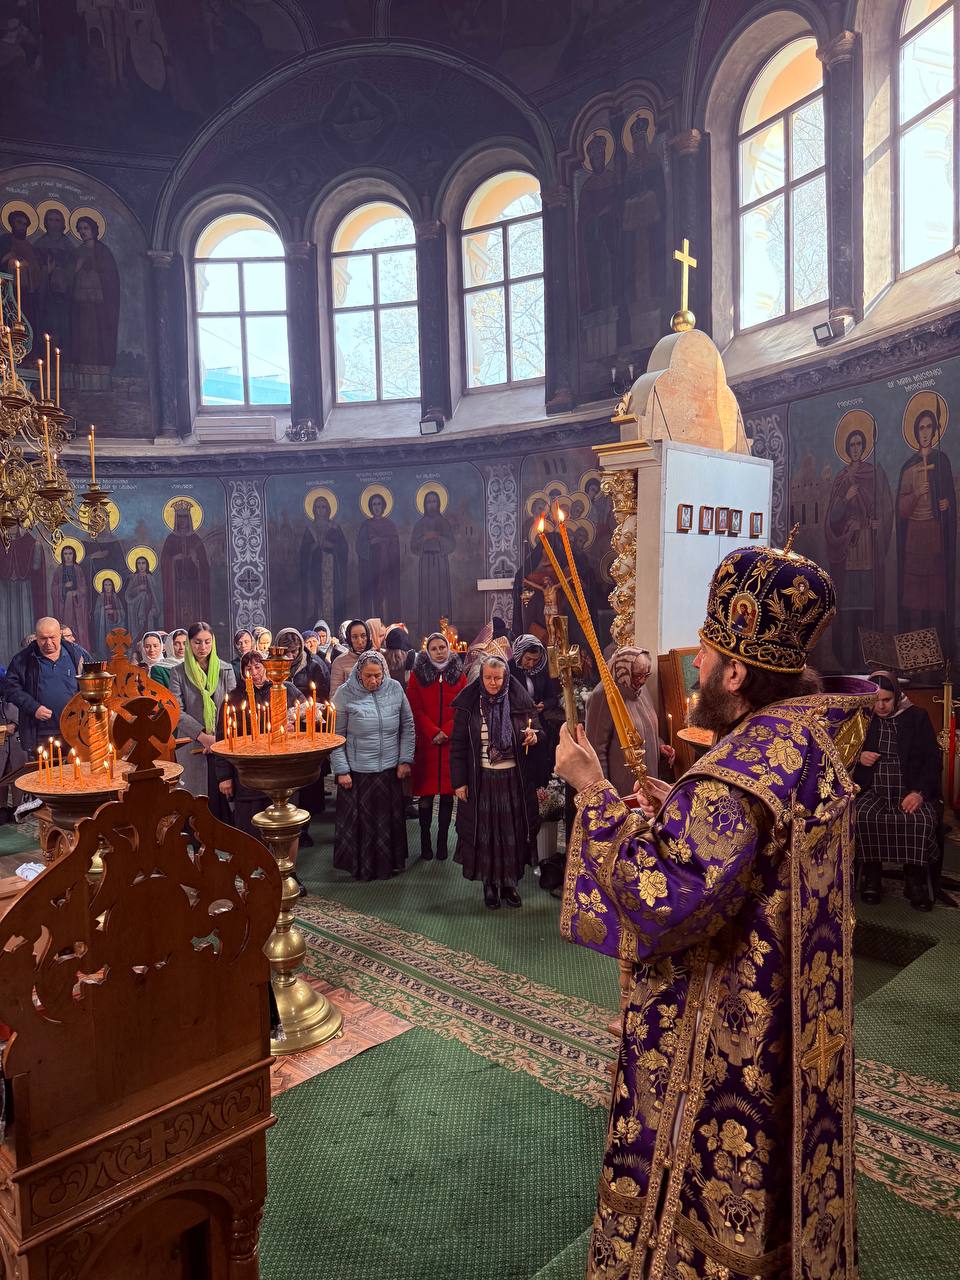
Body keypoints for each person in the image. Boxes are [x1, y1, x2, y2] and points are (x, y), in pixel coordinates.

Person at [555, 540, 872, 1280]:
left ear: (735, 673)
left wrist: (592, 791)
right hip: (793, 1023)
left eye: (704, 653)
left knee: (709, 1177)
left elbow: (662, 896)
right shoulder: (804, 742)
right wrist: (677, 809)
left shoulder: (731, 779)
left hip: (730, 1030)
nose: (694, 665)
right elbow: (752, 861)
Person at [449, 655, 542, 909]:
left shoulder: (520, 702)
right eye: (488, 677)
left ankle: (510, 884)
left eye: (497, 678)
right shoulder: (470, 706)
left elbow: (539, 731)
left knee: (511, 833)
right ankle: (489, 885)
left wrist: (534, 737)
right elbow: (457, 746)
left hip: (513, 780)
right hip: (481, 780)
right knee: (486, 835)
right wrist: (459, 782)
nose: (493, 683)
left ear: (506, 678)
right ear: (481, 677)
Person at [854, 670, 941, 910]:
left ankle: (914, 880)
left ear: (897, 695)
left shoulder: (917, 717)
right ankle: (872, 876)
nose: (880, 706)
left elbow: (932, 760)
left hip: (908, 787)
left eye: (887, 700)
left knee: (920, 820)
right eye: (875, 700)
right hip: (873, 788)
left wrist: (919, 793)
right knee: (862, 816)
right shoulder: (861, 718)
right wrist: (859, 757)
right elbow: (841, 753)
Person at [331, 651, 415, 881]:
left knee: (387, 823)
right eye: (368, 676)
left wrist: (405, 759)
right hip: (357, 773)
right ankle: (363, 868)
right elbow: (335, 736)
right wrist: (341, 770)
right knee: (363, 826)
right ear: (359, 673)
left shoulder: (395, 689)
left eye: (378, 675)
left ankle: (389, 865)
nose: (374, 680)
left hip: (389, 769)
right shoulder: (344, 694)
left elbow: (407, 725)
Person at [214, 651, 304, 836]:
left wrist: (295, 727)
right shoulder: (234, 698)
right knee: (250, 829)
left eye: (258, 667)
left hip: (281, 771)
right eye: (248, 668)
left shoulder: (285, 689)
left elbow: (308, 717)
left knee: (284, 827)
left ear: (267, 668)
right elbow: (222, 739)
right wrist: (224, 776)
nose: (254, 673)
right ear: (242, 672)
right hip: (248, 774)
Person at [584, 645, 675, 796]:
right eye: (637, 675)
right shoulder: (602, 696)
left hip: (649, 780)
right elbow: (596, 749)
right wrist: (605, 793)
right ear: (623, 671)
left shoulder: (640, 690)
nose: (642, 681)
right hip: (623, 786)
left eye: (646, 675)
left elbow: (647, 727)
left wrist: (660, 745)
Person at [408, 632, 467, 860]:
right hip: (428, 744)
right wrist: (433, 732)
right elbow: (415, 708)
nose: (439, 651)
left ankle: (442, 842)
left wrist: (447, 731)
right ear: (427, 651)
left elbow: (462, 707)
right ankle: (425, 841)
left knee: (447, 796)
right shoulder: (417, 675)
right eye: (434, 648)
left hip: (450, 743)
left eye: (442, 647)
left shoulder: (459, 675)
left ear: (448, 648)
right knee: (426, 796)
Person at [168, 622, 236, 801]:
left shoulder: (225, 669)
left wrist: (217, 738)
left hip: (223, 742)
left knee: (223, 800)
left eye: (207, 641)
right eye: (197, 642)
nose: (203, 647)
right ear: (189, 644)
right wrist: (204, 737)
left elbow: (233, 707)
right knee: (196, 801)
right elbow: (177, 711)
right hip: (192, 743)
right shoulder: (178, 672)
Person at [1, 617, 83, 756]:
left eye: (52, 637)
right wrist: (33, 708)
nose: (48, 643)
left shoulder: (76, 655)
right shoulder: (23, 659)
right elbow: (10, 689)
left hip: (74, 730)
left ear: (60, 635)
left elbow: (90, 683)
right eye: (43, 638)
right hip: (40, 734)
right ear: (36, 637)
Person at [508, 634, 563, 787]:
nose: (531, 664)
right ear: (520, 654)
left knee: (538, 765)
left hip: (538, 723)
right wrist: (523, 705)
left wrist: (543, 705)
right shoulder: (508, 669)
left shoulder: (541, 670)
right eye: (528, 659)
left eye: (535, 660)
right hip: (515, 723)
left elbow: (552, 697)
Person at [411, 489, 455, 639]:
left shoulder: (444, 523)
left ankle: (444, 633)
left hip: (440, 562)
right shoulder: (420, 524)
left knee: (441, 597)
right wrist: (424, 538)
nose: (431, 505)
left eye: (434, 501)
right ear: (424, 504)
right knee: (427, 598)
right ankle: (425, 633)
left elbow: (451, 543)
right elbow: (413, 546)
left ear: (438, 504)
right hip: (426, 563)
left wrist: (437, 537)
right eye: (429, 502)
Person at [50, 543, 90, 651]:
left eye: (70, 553)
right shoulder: (59, 570)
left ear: (74, 555)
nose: (68, 556)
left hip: (77, 606)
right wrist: (64, 587)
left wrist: (76, 593)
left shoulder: (78, 569)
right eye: (65, 554)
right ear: (62, 556)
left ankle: (80, 648)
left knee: (78, 627)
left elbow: (84, 587)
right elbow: (54, 589)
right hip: (63, 607)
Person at [275, 626, 331, 701]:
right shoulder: (271, 664)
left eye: (293, 651)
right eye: (285, 652)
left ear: (300, 648)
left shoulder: (315, 664)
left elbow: (323, 694)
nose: (290, 657)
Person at [330, 619, 372, 695]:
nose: (360, 641)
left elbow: (387, 689)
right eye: (354, 637)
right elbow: (335, 695)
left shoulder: (379, 658)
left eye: (363, 636)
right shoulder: (339, 662)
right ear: (349, 639)